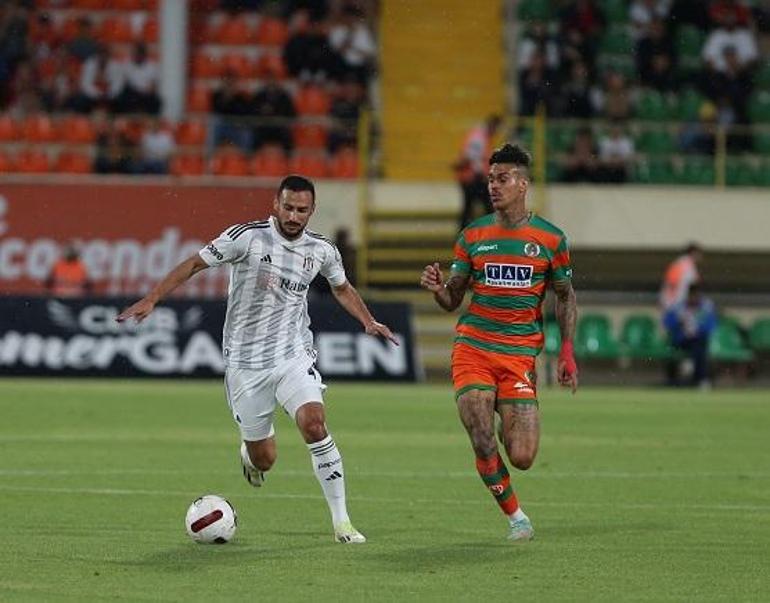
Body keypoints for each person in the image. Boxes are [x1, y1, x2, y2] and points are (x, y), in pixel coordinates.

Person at [117, 175, 397, 544]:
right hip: (246, 365)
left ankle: (342, 522)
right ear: (275, 205)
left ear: (312, 211)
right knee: (265, 458)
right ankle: (250, 458)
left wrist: (368, 320)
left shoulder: (322, 250)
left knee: (314, 424)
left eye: (302, 210)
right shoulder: (246, 238)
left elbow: (341, 287)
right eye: (288, 207)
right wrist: (152, 298)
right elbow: (193, 264)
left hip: (291, 354)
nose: (294, 216)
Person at [420, 144, 578, 542]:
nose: (493, 186)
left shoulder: (550, 239)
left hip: (520, 355)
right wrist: (440, 290)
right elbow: (453, 300)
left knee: (522, 456)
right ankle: (516, 517)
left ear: (522, 184)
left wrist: (568, 353)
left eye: (502, 178)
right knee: (478, 426)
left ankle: (504, 421)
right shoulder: (473, 236)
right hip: (473, 346)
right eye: (490, 179)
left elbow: (566, 295)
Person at [663, 283, 717, 387]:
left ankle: (699, 379)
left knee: (700, 348)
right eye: (692, 295)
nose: (694, 298)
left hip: (697, 340)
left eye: (696, 296)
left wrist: (699, 330)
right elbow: (667, 322)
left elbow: (711, 326)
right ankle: (674, 380)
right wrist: (678, 323)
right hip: (681, 340)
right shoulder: (679, 307)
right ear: (688, 295)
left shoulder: (706, 308)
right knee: (672, 350)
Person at [454, 114, 502, 230]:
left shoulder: (481, 136)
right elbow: (472, 158)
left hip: (472, 178)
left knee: (470, 209)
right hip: (474, 179)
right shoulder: (479, 137)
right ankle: (491, 234)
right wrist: (483, 175)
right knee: (486, 207)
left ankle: (464, 236)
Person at [659, 242, 702, 310]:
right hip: (674, 302)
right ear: (693, 253)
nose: (700, 257)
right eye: (698, 254)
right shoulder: (683, 264)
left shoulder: (686, 264)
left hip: (678, 302)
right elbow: (671, 282)